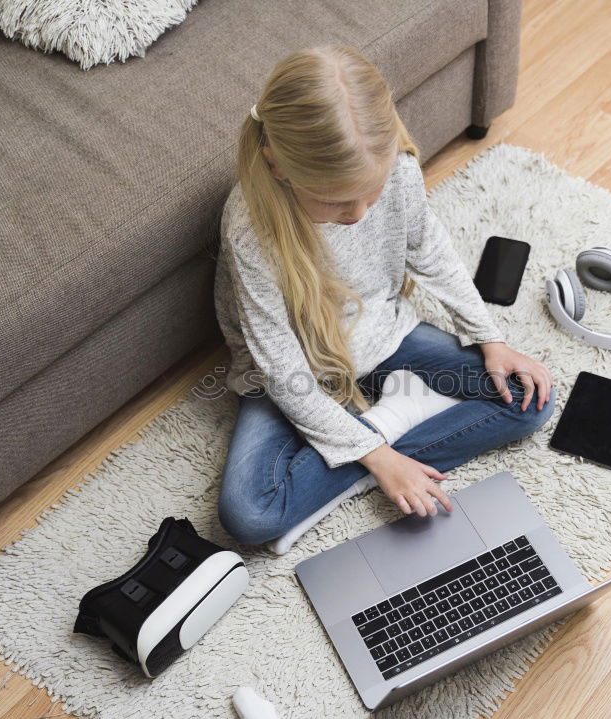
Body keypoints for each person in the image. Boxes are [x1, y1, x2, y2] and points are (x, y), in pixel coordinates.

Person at [213, 44, 555, 554]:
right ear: (278, 167)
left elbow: (432, 254)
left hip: (383, 334)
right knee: (249, 514)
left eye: (369, 196)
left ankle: (365, 457)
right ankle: (383, 446)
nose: (357, 214)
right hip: (293, 373)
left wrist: (490, 338)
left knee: (529, 402)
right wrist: (378, 452)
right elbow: (279, 365)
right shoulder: (250, 229)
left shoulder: (396, 169)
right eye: (335, 201)